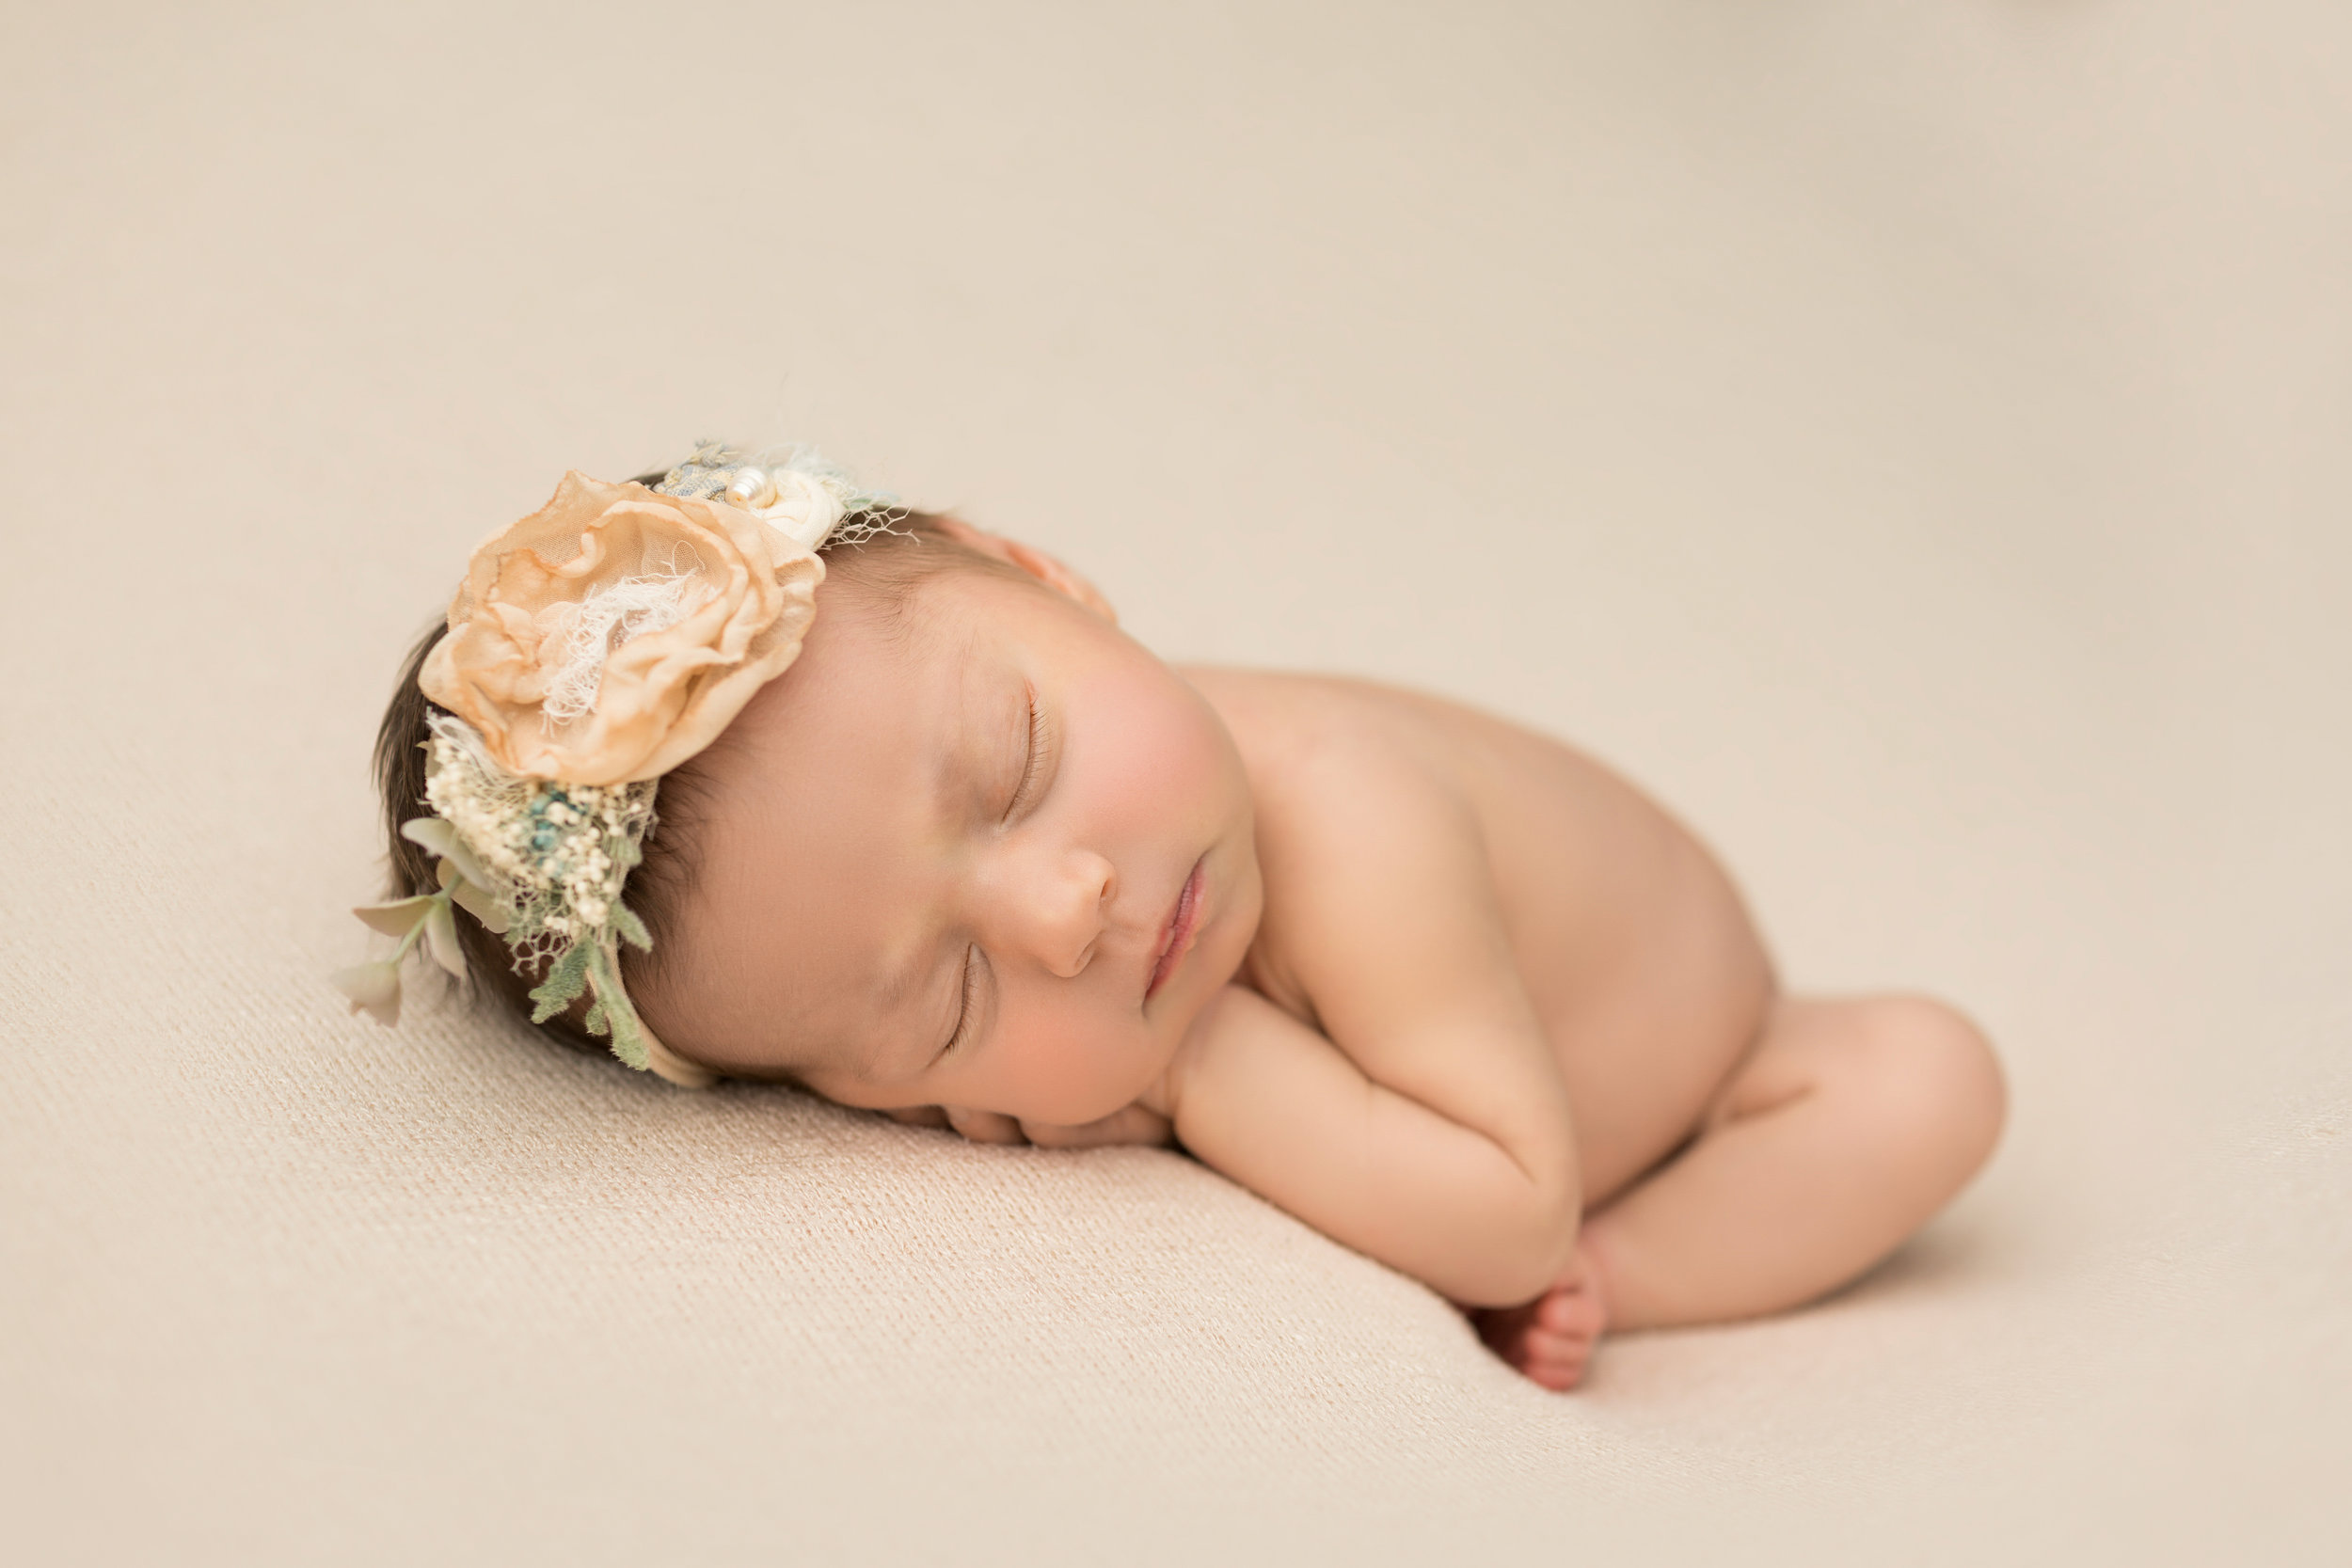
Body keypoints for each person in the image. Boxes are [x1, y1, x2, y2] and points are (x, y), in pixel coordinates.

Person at [340, 443, 2005, 1391]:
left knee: (1928, 1079)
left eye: (1019, 765)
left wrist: (1206, 1070)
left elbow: (1503, 1207)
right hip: (1510, 1105)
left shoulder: (1349, 805)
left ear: (1045, 575)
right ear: (874, 1100)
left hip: (1716, 1068)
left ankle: (1633, 1276)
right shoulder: (1098, 908)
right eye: (947, 999)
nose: (1064, 913)